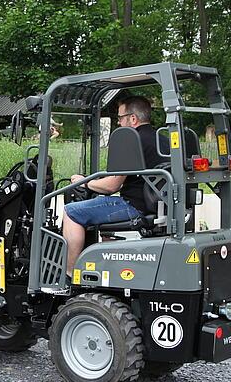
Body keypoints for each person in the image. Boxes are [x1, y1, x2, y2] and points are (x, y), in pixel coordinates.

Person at [62, 96, 168, 274]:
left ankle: (70, 275)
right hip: (158, 207)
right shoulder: (162, 140)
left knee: (72, 212)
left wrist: (84, 182)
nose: (118, 123)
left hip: (134, 206)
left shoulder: (130, 140)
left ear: (132, 118)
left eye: (120, 118)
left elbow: (112, 186)